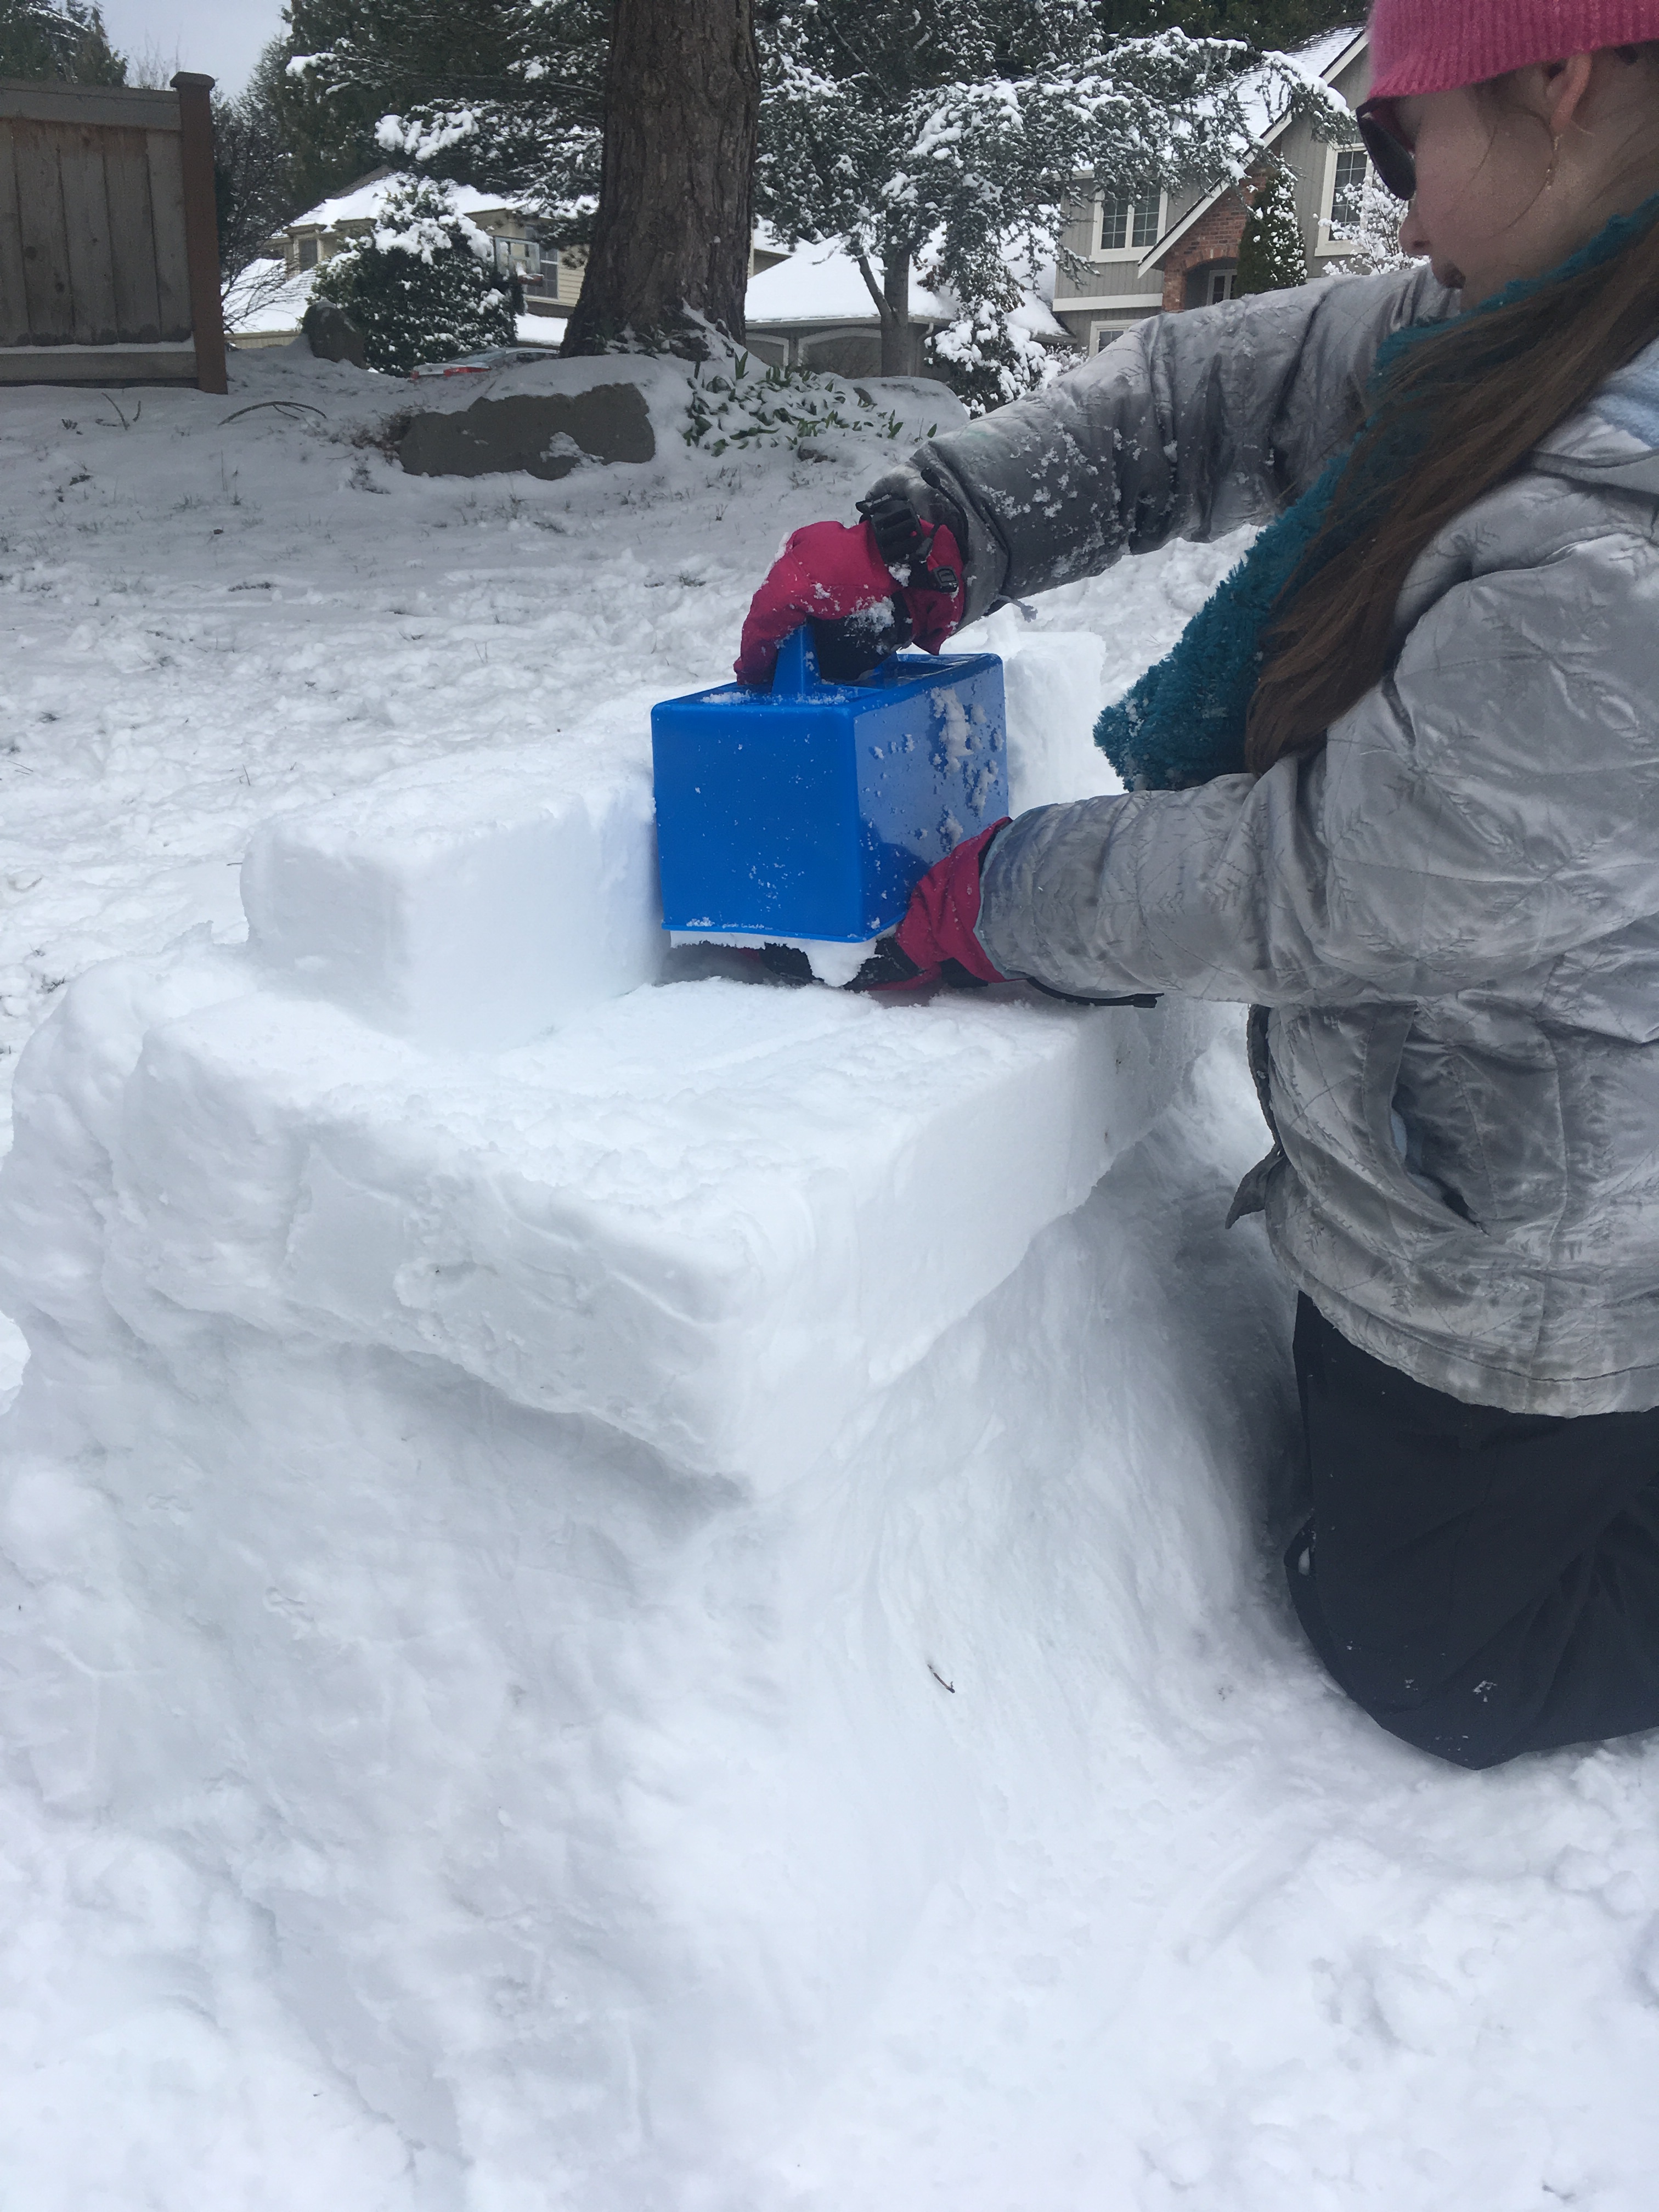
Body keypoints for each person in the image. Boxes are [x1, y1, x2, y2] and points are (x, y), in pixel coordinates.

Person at [734, 1, 1659, 1770]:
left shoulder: (1617, 528)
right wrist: (943, 530)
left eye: (1401, 144)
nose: (1392, 216)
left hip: (1564, 1237)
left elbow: (1328, 881)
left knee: (1438, 1653)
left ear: (1562, 78)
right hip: (1503, 1140)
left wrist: (995, 895)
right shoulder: (1523, 323)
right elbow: (1208, 394)